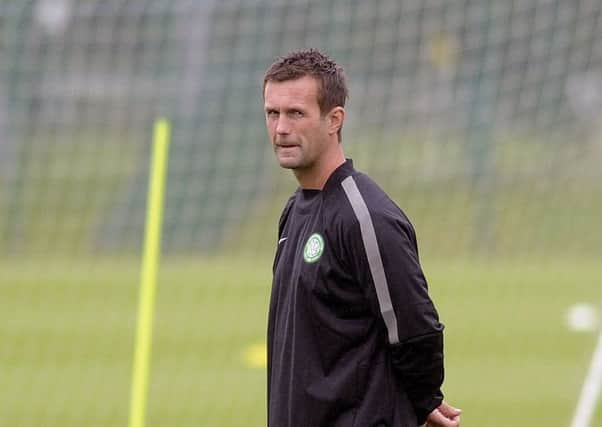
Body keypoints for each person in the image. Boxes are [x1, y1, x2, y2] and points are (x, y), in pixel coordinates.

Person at [263, 48, 461, 427]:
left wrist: (423, 399)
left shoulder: (365, 216)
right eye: (273, 113)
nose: (281, 128)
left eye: (296, 114)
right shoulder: (294, 212)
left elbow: (416, 331)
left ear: (334, 119)